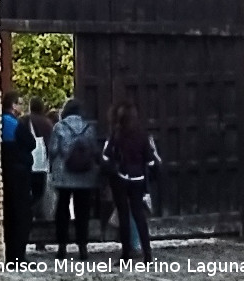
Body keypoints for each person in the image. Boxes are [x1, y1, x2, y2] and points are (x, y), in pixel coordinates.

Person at [102, 100, 161, 262]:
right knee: (139, 215)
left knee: (124, 216)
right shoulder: (142, 135)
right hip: (138, 178)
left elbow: (106, 156)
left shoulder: (117, 134)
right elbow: (150, 159)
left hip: (121, 177)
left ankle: (126, 253)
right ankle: (147, 253)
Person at [49, 97, 99, 260]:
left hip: (64, 174)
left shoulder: (59, 127)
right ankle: (82, 246)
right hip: (85, 175)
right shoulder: (89, 128)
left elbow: (53, 149)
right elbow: (94, 150)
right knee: (82, 211)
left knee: (62, 209)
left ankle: (62, 246)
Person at [1, 90, 35, 262]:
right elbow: (31, 143)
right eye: (20, 103)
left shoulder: (0, 121)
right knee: (21, 215)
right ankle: (18, 255)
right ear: (13, 105)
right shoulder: (15, 124)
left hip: (6, 173)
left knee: (8, 213)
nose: (21, 107)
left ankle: (9, 252)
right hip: (19, 174)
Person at [21, 97, 54, 219]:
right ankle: (38, 213)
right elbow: (51, 143)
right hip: (42, 163)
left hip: (27, 162)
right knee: (40, 191)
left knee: (26, 190)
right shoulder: (47, 123)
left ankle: (28, 213)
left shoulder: (23, 120)